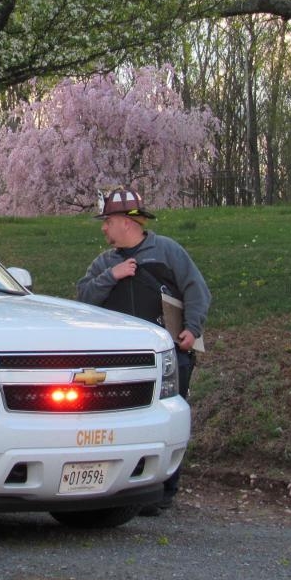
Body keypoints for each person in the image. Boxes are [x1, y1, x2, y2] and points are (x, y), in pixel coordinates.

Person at [76, 186, 211, 512]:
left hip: (168, 357)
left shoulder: (168, 252)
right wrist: (112, 276)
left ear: (125, 221)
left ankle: (164, 491)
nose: (104, 227)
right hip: (118, 363)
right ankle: (124, 488)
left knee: (167, 418)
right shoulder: (104, 263)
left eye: (108, 221)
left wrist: (192, 330)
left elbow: (198, 290)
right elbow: (82, 300)